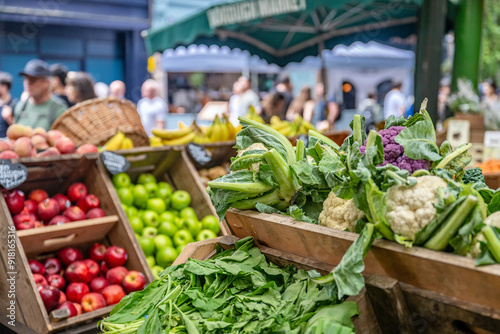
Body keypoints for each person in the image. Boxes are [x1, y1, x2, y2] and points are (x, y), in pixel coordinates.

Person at [11, 59, 67, 131]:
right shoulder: (20, 106)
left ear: (46, 83)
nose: (27, 83)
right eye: (25, 79)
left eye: (32, 80)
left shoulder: (58, 109)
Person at [0, 72, 18, 137]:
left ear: (4, 87)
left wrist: (9, 118)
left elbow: (19, 130)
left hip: (7, 143)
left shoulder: (16, 105)